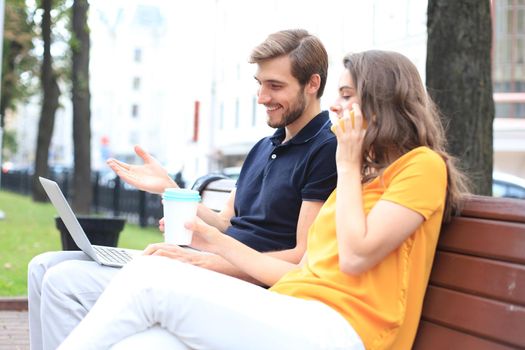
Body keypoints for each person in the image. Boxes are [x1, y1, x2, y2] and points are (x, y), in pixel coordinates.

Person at [57, 50, 470, 350]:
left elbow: (358, 257)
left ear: (381, 102)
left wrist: (345, 164)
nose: (334, 105)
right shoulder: (359, 180)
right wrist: (209, 238)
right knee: (147, 344)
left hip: (347, 332)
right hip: (293, 311)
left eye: (346, 94)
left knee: (148, 281)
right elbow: (298, 271)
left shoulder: (422, 166)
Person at [28, 29, 338, 350]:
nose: (261, 98)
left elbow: (301, 257)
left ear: (312, 84)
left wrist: (207, 262)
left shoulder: (326, 149)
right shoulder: (263, 146)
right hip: (204, 265)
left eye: (275, 86)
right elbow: (225, 222)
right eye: (260, 85)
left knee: (64, 283)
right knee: (43, 266)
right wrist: (169, 188)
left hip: (236, 281)